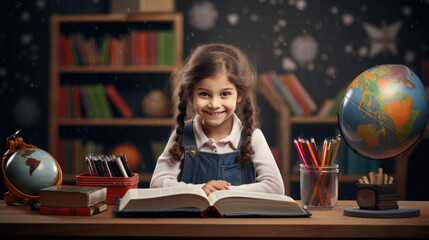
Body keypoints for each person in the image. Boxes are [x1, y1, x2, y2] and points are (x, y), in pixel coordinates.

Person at [150, 43, 284, 196]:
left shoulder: (253, 137)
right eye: (204, 94)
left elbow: (276, 188)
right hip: (194, 220)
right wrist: (200, 190)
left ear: (239, 95)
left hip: (239, 220)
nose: (214, 104)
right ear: (190, 95)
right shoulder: (182, 135)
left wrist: (223, 192)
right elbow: (156, 185)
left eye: (225, 94)